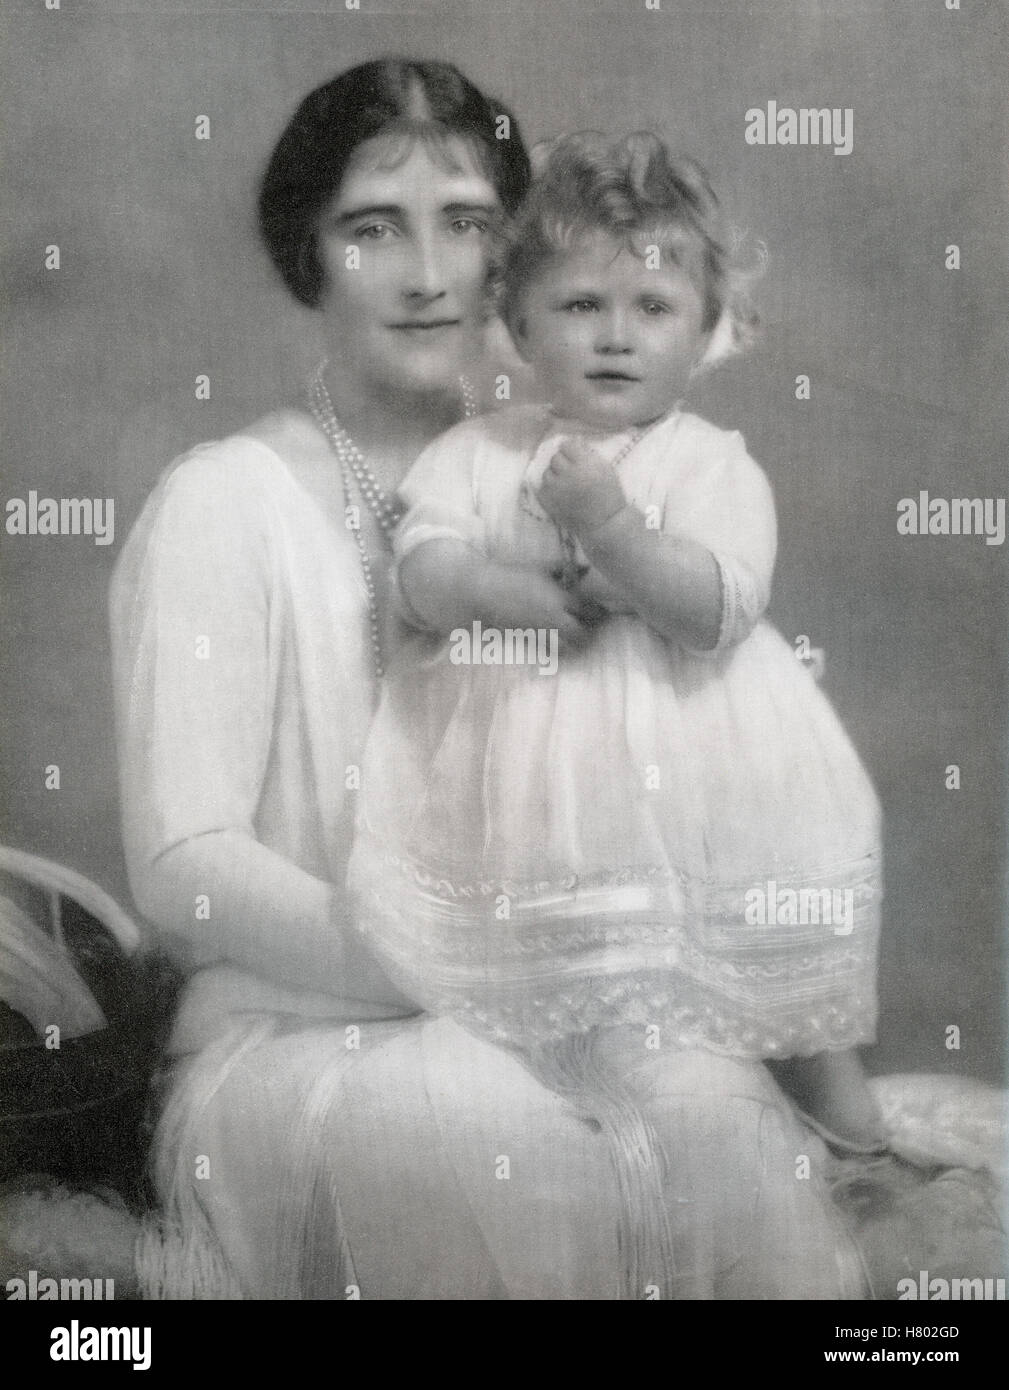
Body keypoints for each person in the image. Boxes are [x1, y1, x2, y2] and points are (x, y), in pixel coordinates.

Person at [110, 62, 865, 1300]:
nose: (425, 273)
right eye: (371, 228)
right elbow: (184, 860)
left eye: (465, 224)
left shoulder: (570, 475)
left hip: (550, 1004)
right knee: (494, 1149)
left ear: (513, 258)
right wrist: (437, 958)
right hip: (305, 1029)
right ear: (308, 253)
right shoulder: (223, 502)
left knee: (724, 1145)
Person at [349, 130, 888, 1187]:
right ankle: (588, 1140)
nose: (615, 336)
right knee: (552, 991)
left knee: (762, 956)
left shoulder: (710, 462)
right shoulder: (479, 449)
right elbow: (415, 573)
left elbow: (716, 611)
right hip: (522, 772)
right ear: (515, 323)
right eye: (580, 306)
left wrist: (615, 533)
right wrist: (490, 586)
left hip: (707, 769)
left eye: (653, 309)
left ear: (709, 331)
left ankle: (849, 1128)